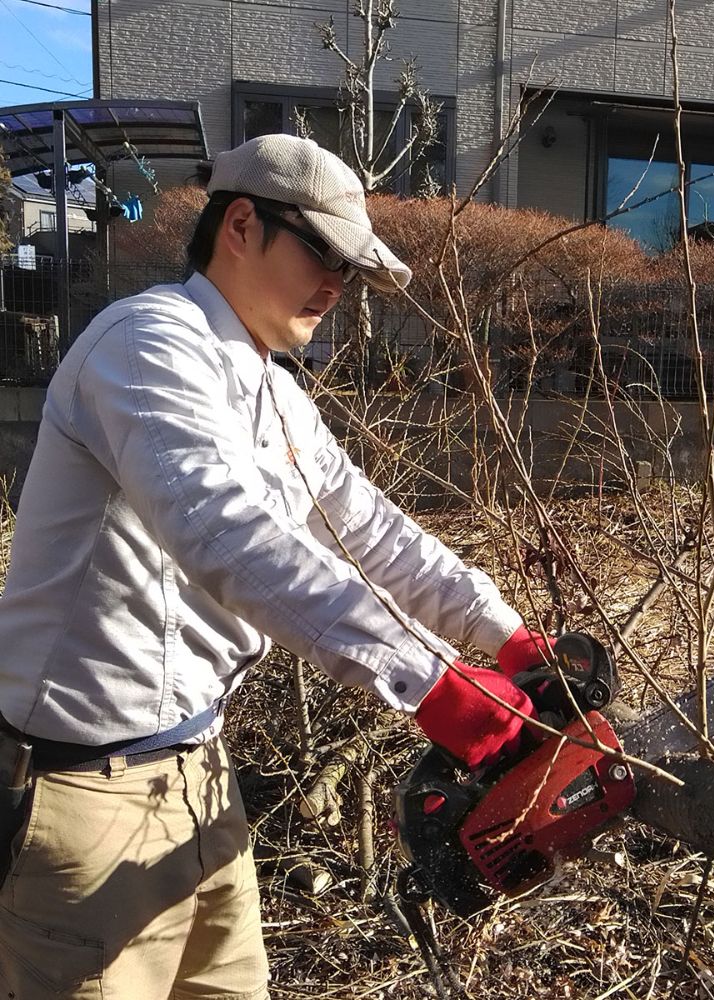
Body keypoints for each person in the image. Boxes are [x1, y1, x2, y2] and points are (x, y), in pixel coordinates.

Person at [0, 134, 554, 1000]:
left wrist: (507, 636)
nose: (338, 284)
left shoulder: (276, 393)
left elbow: (370, 531)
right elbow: (226, 535)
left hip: (201, 774)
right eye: (323, 253)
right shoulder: (148, 344)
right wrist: (436, 683)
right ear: (243, 224)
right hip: (83, 792)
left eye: (352, 268)